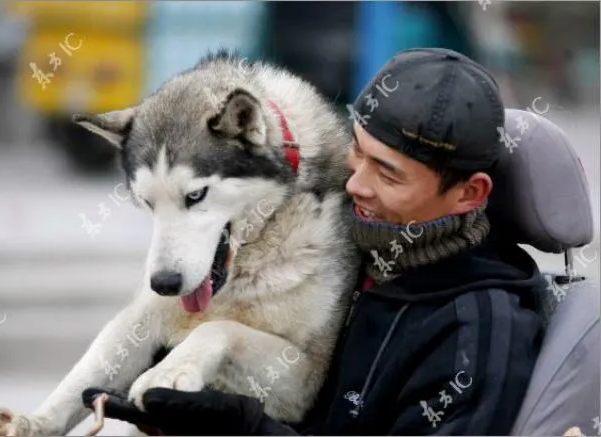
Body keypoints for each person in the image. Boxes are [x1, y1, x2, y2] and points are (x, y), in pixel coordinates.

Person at [82, 48, 545, 436]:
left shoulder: (478, 333)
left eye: (386, 173)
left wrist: (247, 426)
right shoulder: (367, 257)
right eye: (357, 152)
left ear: (470, 193)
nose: (354, 184)